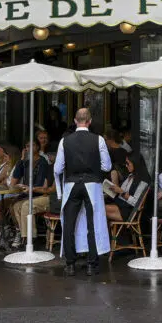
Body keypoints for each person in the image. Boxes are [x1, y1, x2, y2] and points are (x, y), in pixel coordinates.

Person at [54, 108, 111, 276]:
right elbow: (107, 166)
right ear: (90, 121)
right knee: (92, 225)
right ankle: (92, 264)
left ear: (74, 120)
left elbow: (58, 168)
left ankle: (70, 263)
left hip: (72, 184)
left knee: (69, 223)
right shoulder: (98, 139)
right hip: (92, 184)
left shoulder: (65, 141)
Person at [9, 138, 54, 246]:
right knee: (14, 206)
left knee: (25, 205)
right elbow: (13, 180)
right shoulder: (25, 162)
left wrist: (28, 188)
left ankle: (29, 238)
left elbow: (42, 185)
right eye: (27, 146)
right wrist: (22, 159)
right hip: (28, 193)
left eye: (32, 145)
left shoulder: (42, 162)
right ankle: (22, 233)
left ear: (38, 147)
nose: (30, 148)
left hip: (39, 193)